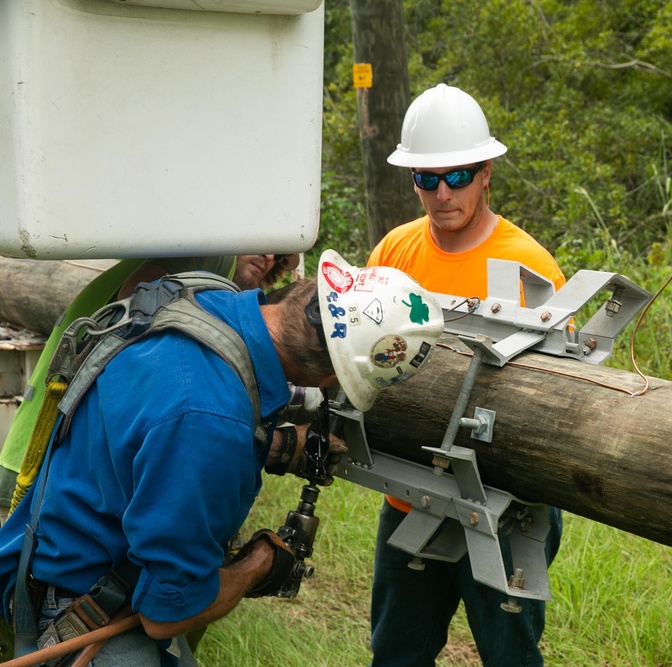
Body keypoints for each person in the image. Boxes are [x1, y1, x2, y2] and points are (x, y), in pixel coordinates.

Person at [0, 250, 444, 665]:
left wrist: (276, 446)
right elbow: (165, 613)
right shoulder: (210, 420)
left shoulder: (200, 297)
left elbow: (149, 432)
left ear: (308, 289)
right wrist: (259, 563)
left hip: (46, 555)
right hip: (77, 609)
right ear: (330, 379)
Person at [364, 83, 566, 667]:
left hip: (504, 507)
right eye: (427, 179)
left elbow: (557, 398)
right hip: (409, 497)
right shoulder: (394, 253)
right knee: (395, 655)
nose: (443, 193)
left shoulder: (528, 266)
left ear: (486, 174)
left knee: (509, 657)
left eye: (457, 176)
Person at [0, 253, 300, 522]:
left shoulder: (196, 266)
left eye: (279, 257)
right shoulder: (209, 256)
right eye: (265, 241)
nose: (269, 256)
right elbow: (140, 302)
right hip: (46, 462)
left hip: (46, 452)